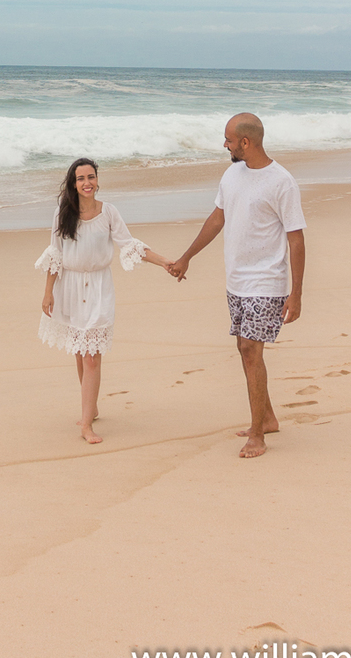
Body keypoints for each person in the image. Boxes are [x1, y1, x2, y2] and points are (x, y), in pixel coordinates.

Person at [168, 112, 305, 459]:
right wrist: (187, 257)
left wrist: (296, 293)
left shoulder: (281, 181)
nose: (224, 145)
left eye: (228, 139)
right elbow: (218, 218)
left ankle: (257, 434)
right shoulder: (231, 174)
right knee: (245, 350)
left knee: (250, 349)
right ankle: (268, 417)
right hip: (237, 280)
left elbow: (296, 239)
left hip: (267, 280)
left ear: (246, 142)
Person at [36, 157, 172, 443]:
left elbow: (130, 245)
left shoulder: (109, 212)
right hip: (69, 287)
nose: (87, 183)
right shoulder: (63, 214)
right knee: (79, 350)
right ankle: (91, 408)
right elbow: (56, 254)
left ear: (97, 180)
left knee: (92, 357)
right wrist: (48, 292)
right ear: (73, 184)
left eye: (91, 177)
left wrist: (164, 262)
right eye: (81, 178)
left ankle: (86, 425)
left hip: (99, 288)